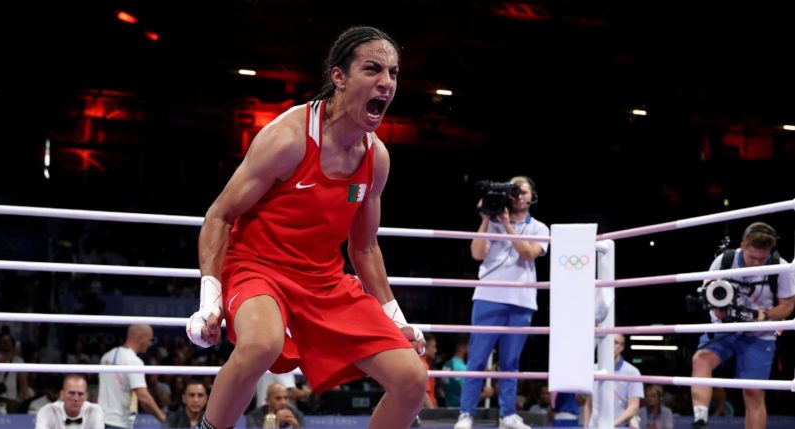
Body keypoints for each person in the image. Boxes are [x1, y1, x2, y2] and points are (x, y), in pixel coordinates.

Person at [185, 25, 427, 429]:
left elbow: (364, 248)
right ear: (339, 77)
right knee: (262, 344)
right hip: (257, 267)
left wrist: (395, 315)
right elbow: (219, 215)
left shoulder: (376, 159)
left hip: (324, 280)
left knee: (412, 379)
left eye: (394, 72)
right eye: (372, 69)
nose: (386, 82)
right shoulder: (288, 138)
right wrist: (209, 301)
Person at [455, 176, 549, 429]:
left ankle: (508, 416)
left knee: (510, 361)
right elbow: (477, 254)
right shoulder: (491, 223)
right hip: (488, 297)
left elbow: (528, 253)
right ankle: (466, 414)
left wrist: (508, 226)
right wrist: (486, 218)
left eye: (523, 190)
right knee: (477, 358)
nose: (518, 195)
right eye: (513, 190)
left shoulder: (540, 228)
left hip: (521, 300)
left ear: (532, 196)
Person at [690, 222, 795, 429]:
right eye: (752, 257)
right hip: (724, 327)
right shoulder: (725, 260)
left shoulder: (780, 266)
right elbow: (707, 292)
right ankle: (700, 420)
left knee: (754, 393)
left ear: (770, 252)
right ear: (743, 246)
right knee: (700, 360)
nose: (756, 263)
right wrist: (717, 308)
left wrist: (765, 316)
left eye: (761, 258)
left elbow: (788, 304)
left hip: (759, 334)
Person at [98, 324, 166, 428]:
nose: (150, 343)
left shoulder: (107, 356)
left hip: (101, 421)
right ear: (141, 338)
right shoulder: (134, 361)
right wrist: (164, 419)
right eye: (150, 339)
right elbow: (143, 397)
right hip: (118, 423)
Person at [585, 334, 644, 428]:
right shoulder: (593, 369)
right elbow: (589, 403)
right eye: (614, 342)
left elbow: (633, 407)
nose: (617, 346)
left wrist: (610, 425)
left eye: (620, 343)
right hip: (594, 426)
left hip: (619, 426)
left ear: (622, 347)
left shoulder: (632, 372)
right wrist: (586, 426)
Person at [35, 374, 105, 429]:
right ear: (62, 394)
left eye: (80, 394)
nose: (76, 398)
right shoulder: (47, 411)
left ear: (86, 396)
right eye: (71, 393)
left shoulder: (94, 411)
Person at [441, 337, 468, 407]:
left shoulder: (446, 364)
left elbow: (442, 390)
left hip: (447, 406)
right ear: (462, 348)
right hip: (459, 408)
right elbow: (468, 394)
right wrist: (485, 394)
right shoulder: (461, 367)